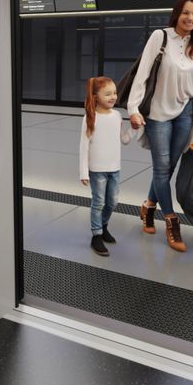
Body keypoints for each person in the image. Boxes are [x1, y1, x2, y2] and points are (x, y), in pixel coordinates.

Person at [128, 0, 193, 253]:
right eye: (186, 13)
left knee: (168, 167)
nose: (190, 18)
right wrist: (132, 108)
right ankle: (171, 222)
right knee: (162, 168)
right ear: (177, 14)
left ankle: (148, 206)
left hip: (185, 112)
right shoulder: (160, 37)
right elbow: (142, 74)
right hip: (158, 113)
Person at [79, 76, 132, 256]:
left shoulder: (117, 116)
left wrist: (134, 127)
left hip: (114, 169)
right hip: (97, 170)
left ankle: (103, 226)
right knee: (99, 202)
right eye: (107, 94)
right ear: (95, 97)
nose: (113, 97)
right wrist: (83, 172)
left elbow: (124, 139)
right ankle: (96, 235)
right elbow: (84, 146)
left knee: (112, 202)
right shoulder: (90, 117)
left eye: (115, 93)